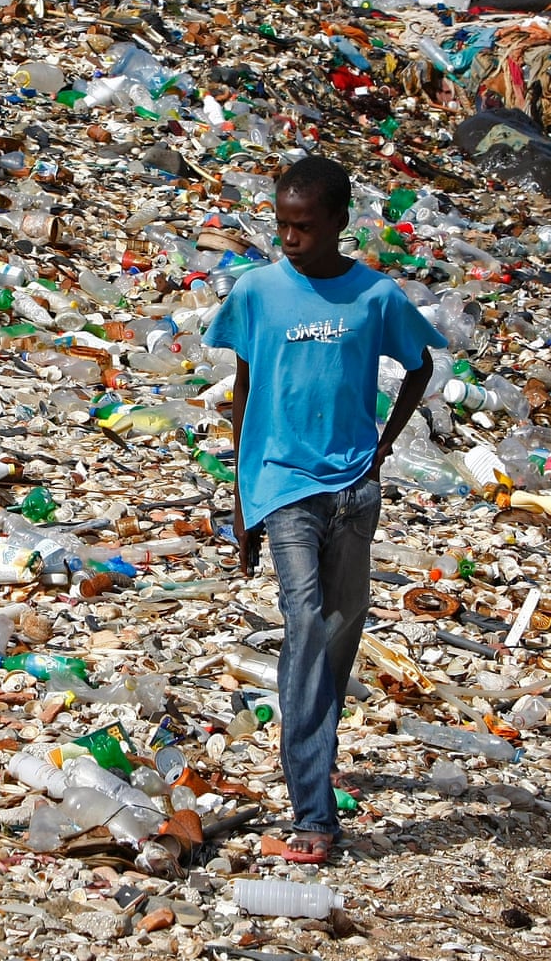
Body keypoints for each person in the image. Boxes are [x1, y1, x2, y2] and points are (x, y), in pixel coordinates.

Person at [205, 155, 446, 864]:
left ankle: (321, 749)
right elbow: (245, 390)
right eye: (282, 224)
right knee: (304, 624)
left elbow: (420, 367)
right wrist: (244, 499)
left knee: (342, 632)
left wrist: (382, 450)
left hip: (353, 489)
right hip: (283, 488)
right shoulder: (257, 293)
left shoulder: (374, 297)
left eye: (304, 226)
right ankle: (314, 814)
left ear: (340, 222)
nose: (291, 238)